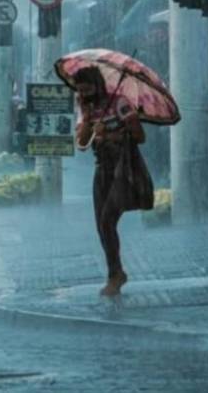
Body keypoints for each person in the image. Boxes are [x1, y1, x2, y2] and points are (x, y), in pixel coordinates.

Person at [74, 66, 147, 297]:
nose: (84, 95)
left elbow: (139, 136)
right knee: (102, 226)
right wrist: (87, 118)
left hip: (122, 169)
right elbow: (82, 144)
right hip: (102, 169)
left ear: (98, 85)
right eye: (80, 91)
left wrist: (109, 133)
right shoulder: (87, 107)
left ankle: (115, 275)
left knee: (107, 222)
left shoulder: (119, 103)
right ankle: (115, 272)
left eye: (87, 90)